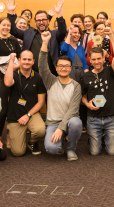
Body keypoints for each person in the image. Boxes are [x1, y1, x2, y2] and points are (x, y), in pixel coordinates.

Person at [39, 31, 82, 161]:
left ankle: (71, 148)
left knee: (76, 122)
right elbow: (42, 66)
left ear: (70, 69)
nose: (64, 68)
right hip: (53, 123)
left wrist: (61, 128)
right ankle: (61, 140)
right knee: (52, 149)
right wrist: (45, 42)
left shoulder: (76, 86)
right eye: (61, 66)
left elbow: (73, 110)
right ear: (56, 68)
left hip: (69, 121)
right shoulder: (50, 81)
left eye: (67, 66)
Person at [81, 28, 114, 156]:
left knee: (111, 152)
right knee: (94, 153)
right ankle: (94, 138)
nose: (96, 62)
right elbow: (83, 96)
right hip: (93, 119)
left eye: (99, 59)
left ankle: (105, 138)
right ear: (90, 60)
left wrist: (112, 37)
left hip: (111, 118)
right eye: (94, 59)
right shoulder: (86, 76)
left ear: (104, 58)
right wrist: (87, 104)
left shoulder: (110, 71)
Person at [7, 0, 67, 76]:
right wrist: (10, 13)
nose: (41, 22)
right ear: (35, 23)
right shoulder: (28, 33)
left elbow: (63, 31)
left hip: (52, 75)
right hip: (32, 75)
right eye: (38, 20)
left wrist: (59, 14)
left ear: (48, 21)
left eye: (43, 20)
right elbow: (13, 30)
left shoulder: (55, 34)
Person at [0, 7, 21, 144]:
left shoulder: (13, 41)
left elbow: (20, 60)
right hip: (0, 79)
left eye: (8, 25)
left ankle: (10, 135)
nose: (6, 27)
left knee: (15, 107)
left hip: (14, 77)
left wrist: (13, 66)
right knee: (1, 110)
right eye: (4, 25)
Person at [4, 51, 46, 157]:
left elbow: (41, 102)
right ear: (19, 60)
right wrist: (11, 62)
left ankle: (32, 142)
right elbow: (8, 83)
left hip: (31, 113)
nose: (26, 62)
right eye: (24, 59)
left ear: (33, 61)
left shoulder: (37, 77)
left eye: (29, 59)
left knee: (40, 130)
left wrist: (28, 115)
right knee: (18, 152)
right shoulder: (13, 74)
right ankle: (16, 136)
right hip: (15, 116)